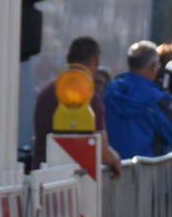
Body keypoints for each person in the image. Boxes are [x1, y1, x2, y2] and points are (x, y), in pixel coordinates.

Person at [31, 36, 122, 174]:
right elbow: (102, 153)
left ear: (67, 58)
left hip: (43, 176)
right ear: (96, 61)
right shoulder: (89, 97)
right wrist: (115, 160)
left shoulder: (47, 91)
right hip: (79, 180)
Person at [101, 40, 172, 161]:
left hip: (112, 170)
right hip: (146, 173)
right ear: (153, 66)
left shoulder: (108, 92)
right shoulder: (157, 98)